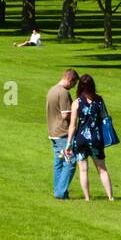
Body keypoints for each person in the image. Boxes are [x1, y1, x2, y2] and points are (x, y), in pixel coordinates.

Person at [64, 73, 116, 201]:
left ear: (80, 87)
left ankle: (87, 198)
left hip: (81, 139)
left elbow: (72, 125)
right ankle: (110, 197)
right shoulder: (99, 100)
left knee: (83, 170)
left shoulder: (77, 103)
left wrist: (68, 144)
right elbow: (105, 117)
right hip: (96, 139)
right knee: (102, 169)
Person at [46, 69, 78, 199]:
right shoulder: (63, 92)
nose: (74, 87)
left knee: (59, 163)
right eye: (74, 84)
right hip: (63, 133)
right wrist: (76, 114)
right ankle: (60, 192)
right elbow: (66, 114)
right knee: (70, 162)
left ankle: (58, 191)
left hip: (53, 132)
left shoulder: (52, 89)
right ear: (70, 80)